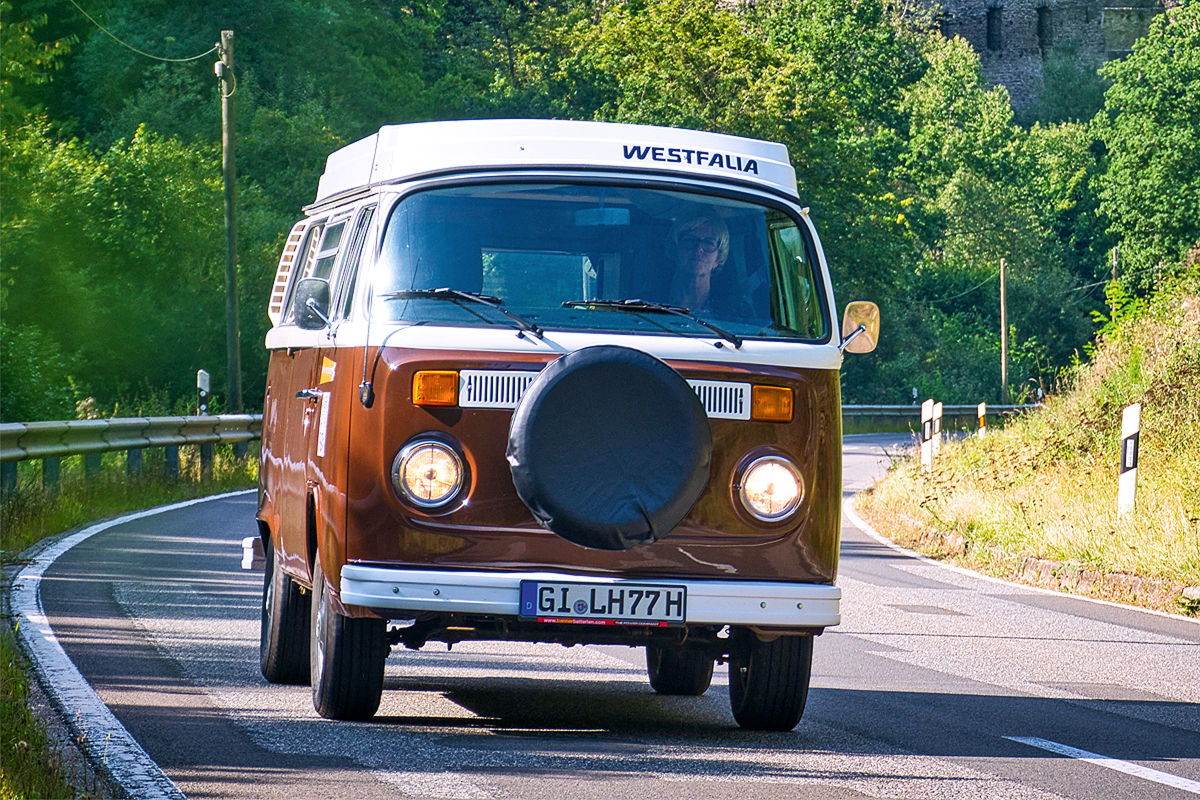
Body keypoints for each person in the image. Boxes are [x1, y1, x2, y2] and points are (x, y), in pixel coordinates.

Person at [667, 214, 730, 313]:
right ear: (674, 250)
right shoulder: (647, 303)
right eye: (690, 240)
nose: (698, 249)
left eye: (709, 243)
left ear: (719, 258)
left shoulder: (731, 312)